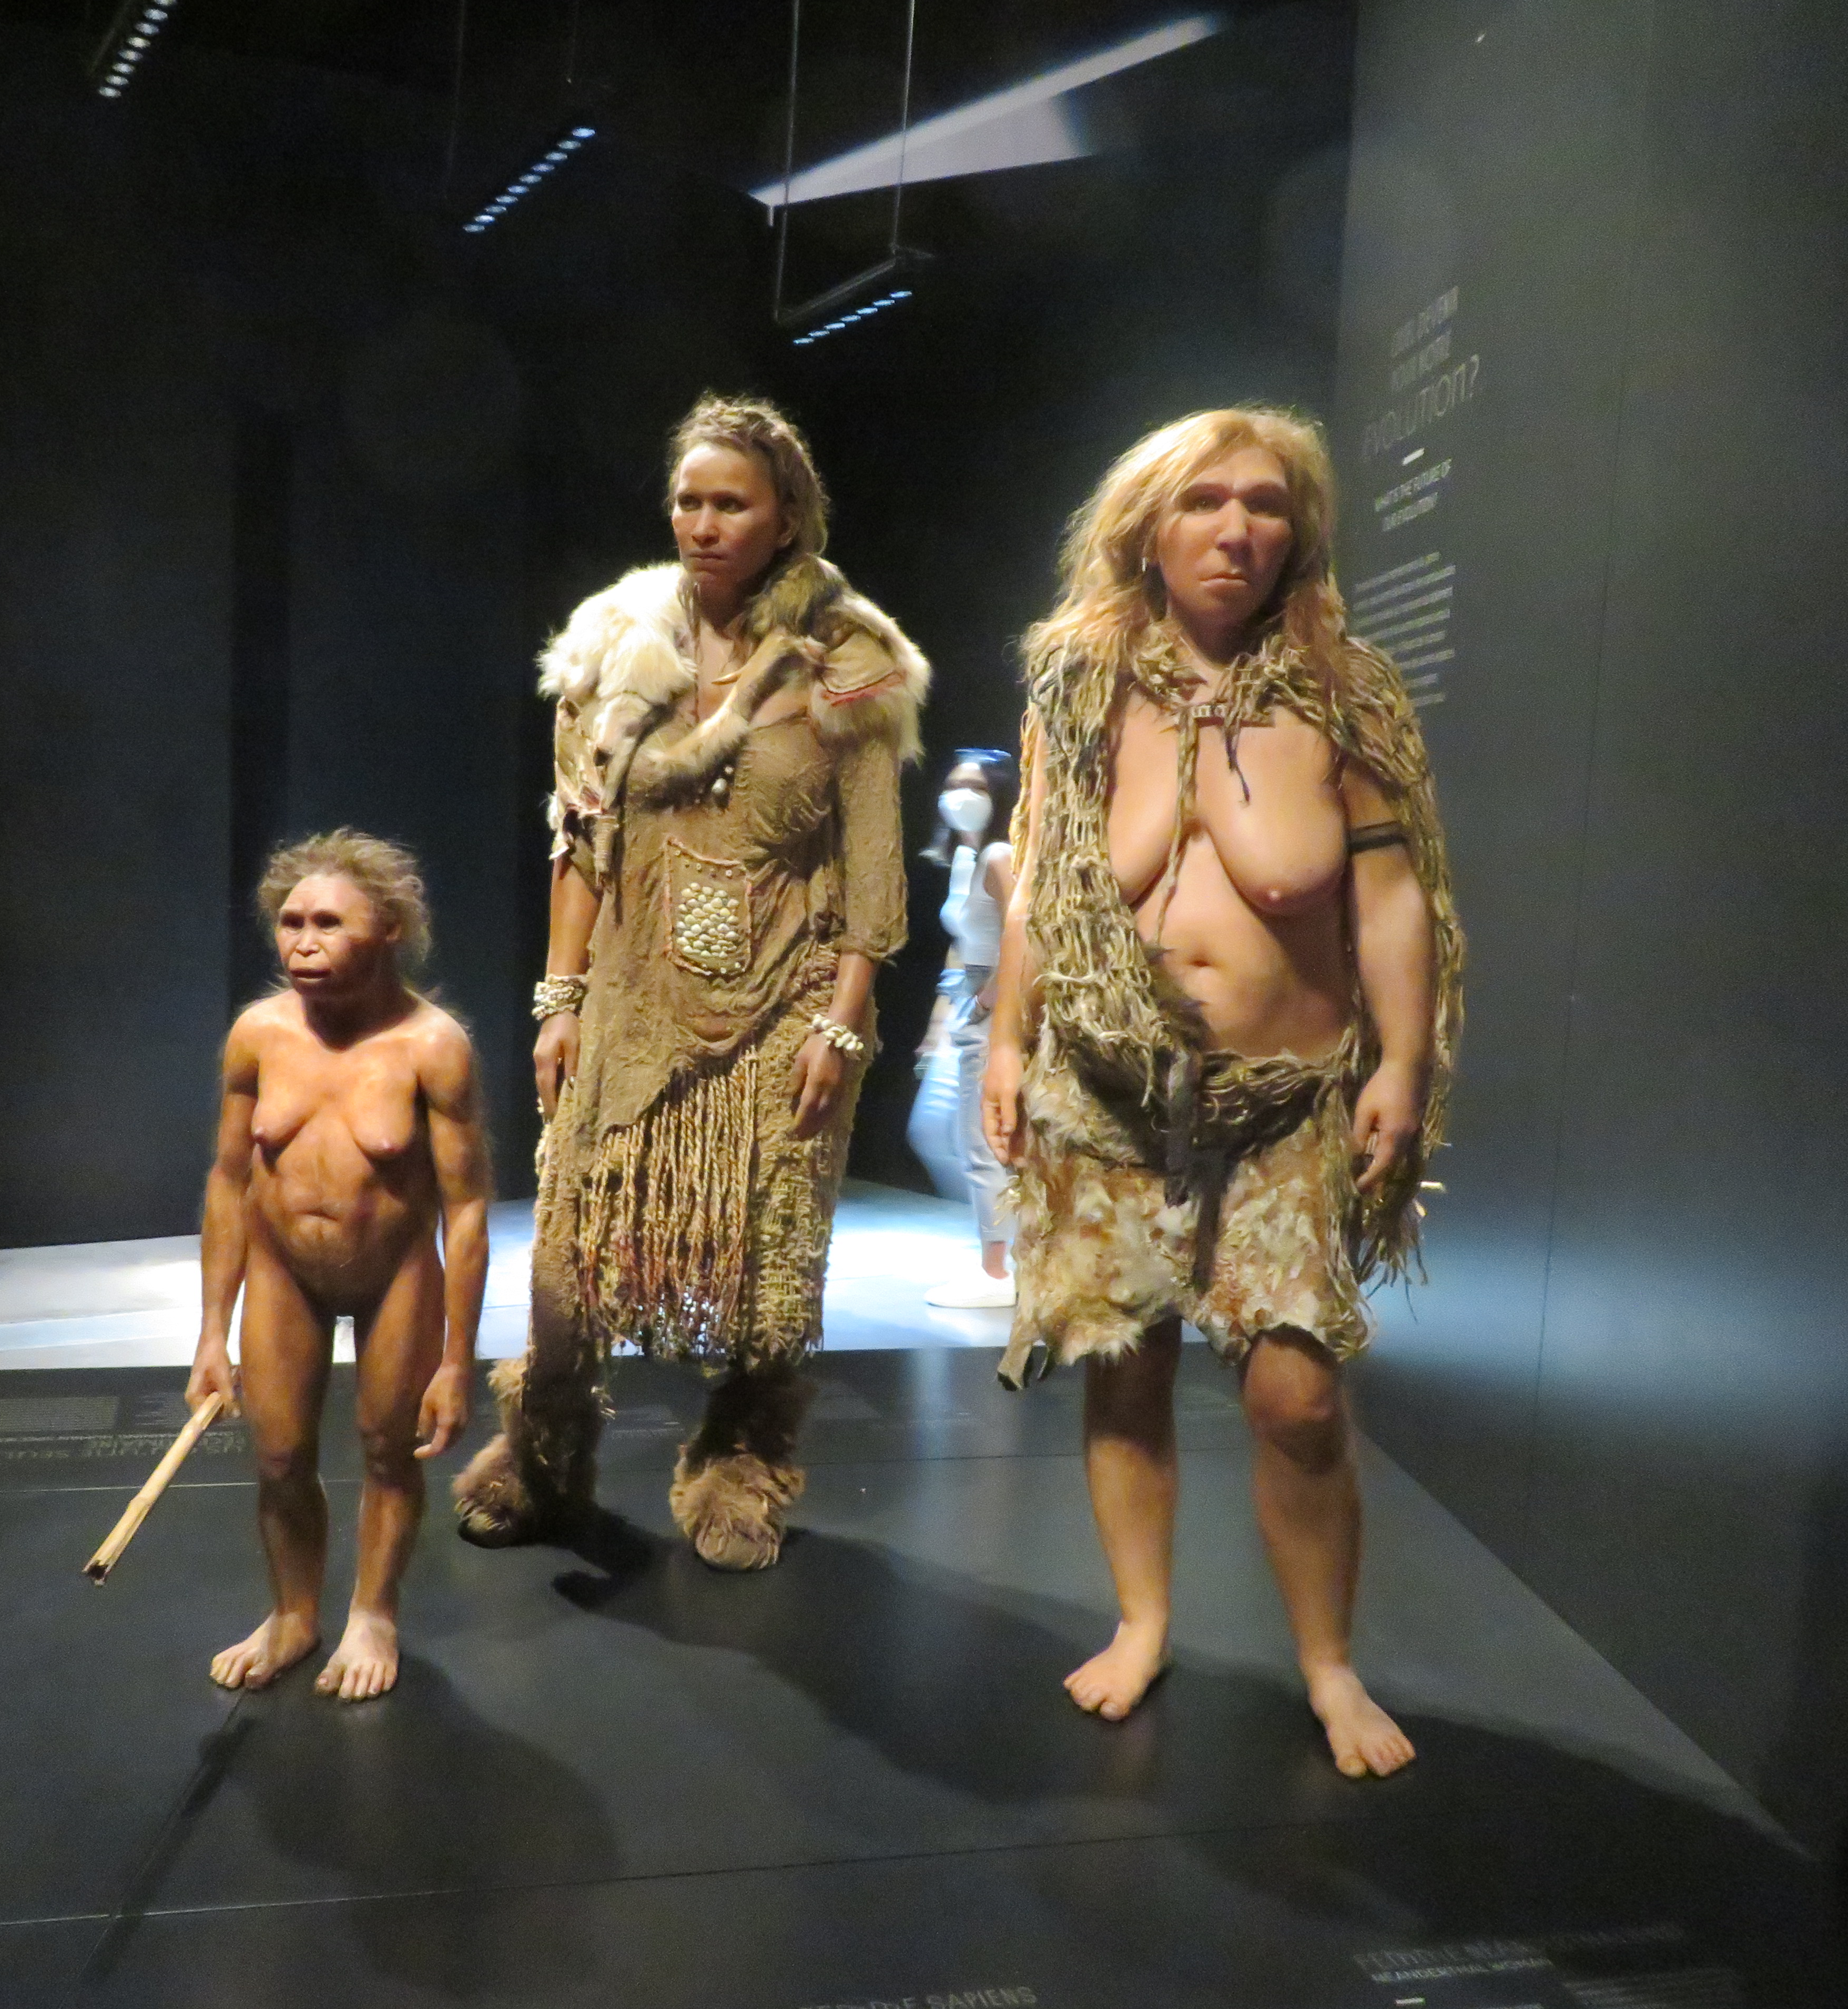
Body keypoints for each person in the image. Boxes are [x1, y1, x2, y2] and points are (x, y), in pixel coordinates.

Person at [982, 407, 1463, 1778]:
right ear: (1147, 526)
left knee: (1297, 1399)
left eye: (1264, 503)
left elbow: (1392, 897)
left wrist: (1404, 1064)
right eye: (1204, 501)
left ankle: (1328, 1663)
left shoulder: (1346, 692)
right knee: (1123, 1367)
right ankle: (1142, 1621)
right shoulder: (1078, 683)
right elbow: (1042, 882)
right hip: (1107, 1096)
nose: (1236, 529)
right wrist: (1007, 1043)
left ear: (1297, 533)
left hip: (1281, 1105)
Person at [453, 393, 926, 1570]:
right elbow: (579, 838)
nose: (704, 525)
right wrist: (558, 999)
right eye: (688, 501)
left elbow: (872, 866)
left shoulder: (847, 657)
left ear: (786, 517)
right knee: (570, 1257)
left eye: (732, 504)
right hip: (630, 994)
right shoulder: (613, 643)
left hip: (784, 999)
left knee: (771, 1265)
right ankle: (542, 1449)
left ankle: (740, 1463)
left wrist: (842, 1024)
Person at [187, 830, 491, 1701]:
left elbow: (468, 1208)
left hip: (395, 1271)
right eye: (291, 923)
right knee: (279, 1453)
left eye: (328, 923)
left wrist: (456, 1360)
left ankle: (373, 1613)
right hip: (284, 1268)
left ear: (389, 929)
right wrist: (211, 1330)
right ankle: (293, 1614)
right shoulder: (258, 1034)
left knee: (389, 1450)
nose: (303, 944)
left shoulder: (432, 1046)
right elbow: (228, 1179)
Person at [908, 747, 1019, 1308]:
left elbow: (1026, 932)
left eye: (976, 787)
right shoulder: (964, 859)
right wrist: (942, 1021)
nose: (961, 796)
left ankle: (997, 1270)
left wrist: (989, 998)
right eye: (954, 785)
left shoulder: (999, 855)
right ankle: (997, 1246)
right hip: (969, 1005)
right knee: (942, 1133)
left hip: (995, 1009)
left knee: (982, 1143)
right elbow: (963, 942)